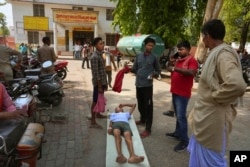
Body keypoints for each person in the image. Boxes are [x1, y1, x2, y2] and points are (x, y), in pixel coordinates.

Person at [187, 19, 246, 167]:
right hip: (206, 118)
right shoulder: (216, 53)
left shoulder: (223, 54)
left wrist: (214, 97)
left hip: (213, 121)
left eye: (202, 36)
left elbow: (237, 85)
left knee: (213, 161)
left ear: (207, 36)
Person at [165, 40, 198, 152]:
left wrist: (175, 68)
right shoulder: (178, 60)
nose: (179, 51)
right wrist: (171, 61)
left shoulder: (192, 60)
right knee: (178, 116)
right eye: (178, 49)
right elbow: (170, 68)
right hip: (175, 91)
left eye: (181, 49)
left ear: (188, 49)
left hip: (183, 94)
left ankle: (185, 141)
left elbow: (191, 73)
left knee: (181, 116)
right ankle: (178, 133)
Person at [130, 37, 161, 138]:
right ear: (145, 45)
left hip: (148, 86)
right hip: (138, 84)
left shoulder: (154, 57)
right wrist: (133, 70)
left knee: (148, 107)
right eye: (149, 45)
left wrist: (154, 74)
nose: (150, 47)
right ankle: (143, 119)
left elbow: (158, 70)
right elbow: (134, 68)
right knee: (140, 104)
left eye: (152, 46)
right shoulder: (138, 56)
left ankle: (148, 129)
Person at [89, 37, 108, 128]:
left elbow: (102, 70)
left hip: (102, 82)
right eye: (100, 44)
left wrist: (105, 83)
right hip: (98, 83)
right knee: (95, 101)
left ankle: (98, 114)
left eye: (102, 43)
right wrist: (100, 86)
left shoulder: (100, 55)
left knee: (100, 98)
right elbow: (96, 73)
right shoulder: (95, 57)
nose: (102, 45)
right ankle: (93, 122)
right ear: (96, 45)